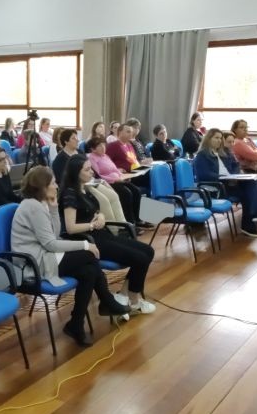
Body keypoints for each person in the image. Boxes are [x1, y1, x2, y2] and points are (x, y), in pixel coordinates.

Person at [11, 167, 131, 347]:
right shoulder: (32, 206)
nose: (56, 186)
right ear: (42, 186)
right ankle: (105, 301)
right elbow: (51, 243)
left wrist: (53, 208)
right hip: (35, 262)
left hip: (46, 254)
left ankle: (76, 323)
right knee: (88, 255)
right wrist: (85, 245)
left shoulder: (41, 203)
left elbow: (56, 234)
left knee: (89, 271)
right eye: (52, 183)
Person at [59, 156, 155, 313]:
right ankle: (134, 298)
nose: (91, 172)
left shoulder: (85, 188)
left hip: (101, 234)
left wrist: (101, 216)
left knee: (148, 251)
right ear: (76, 173)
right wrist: (92, 224)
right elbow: (70, 228)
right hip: (89, 240)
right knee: (140, 258)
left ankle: (124, 294)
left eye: (91, 168)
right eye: (87, 169)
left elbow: (95, 210)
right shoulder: (70, 193)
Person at [193, 129, 257, 238]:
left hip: (229, 183)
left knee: (252, 184)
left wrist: (234, 177)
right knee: (251, 188)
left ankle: (254, 220)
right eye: (216, 138)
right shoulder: (202, 155)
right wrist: (225, 178)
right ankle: (253, 219)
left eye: (220, 138)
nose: (219, 140)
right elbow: (204, 175)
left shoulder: (225, 152)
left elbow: (236, 165)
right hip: (216, 188)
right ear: (208, 139)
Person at [86, 137, 145, 226]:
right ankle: (130, 223)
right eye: (99, 145)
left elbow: (115, 169)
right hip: (108, 183)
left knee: (136, 191)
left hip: (118, 180)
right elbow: (98, 176)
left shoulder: (105, 156)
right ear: (92, 149)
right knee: (126, 193)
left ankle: (139, 219)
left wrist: (122, 177)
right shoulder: (91, 158)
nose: (103, 147)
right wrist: (115, 179)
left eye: (103, 144)